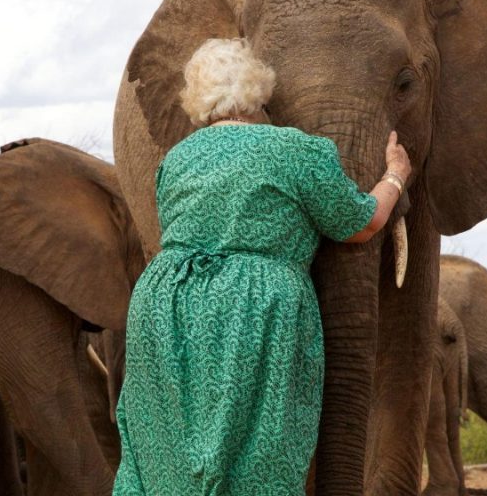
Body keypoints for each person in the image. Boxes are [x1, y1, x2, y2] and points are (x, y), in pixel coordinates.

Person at [112, 37, 411, 495]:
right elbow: (360, 223)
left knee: (165, 453)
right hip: (255, 308)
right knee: (260, 454)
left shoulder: (175, 160)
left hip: (165, 307)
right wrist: (394, 175)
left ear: (199, 103)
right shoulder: (293, 150)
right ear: (260, 93)